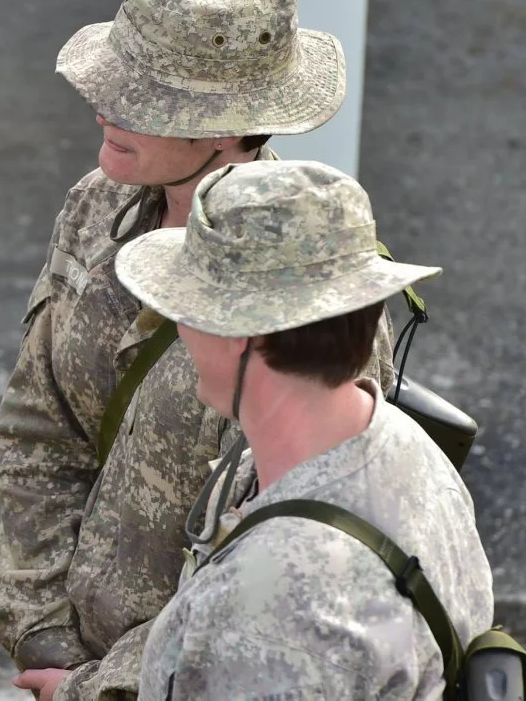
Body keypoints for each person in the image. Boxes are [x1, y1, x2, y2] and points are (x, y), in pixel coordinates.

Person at [0, 0, 396, 700]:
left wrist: (99, 686)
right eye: (114, 83)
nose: (105, 108)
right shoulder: (96, 207)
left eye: (146, 100)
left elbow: (279, 567)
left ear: (235, 129)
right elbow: (38, 426)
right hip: (61, 657)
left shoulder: (307, 294)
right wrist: (44, 636)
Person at [110, 159, 494, 698]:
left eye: (189, 309)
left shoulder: (270, 610)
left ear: (239, 332)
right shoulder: (402, 444)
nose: (181, 329)